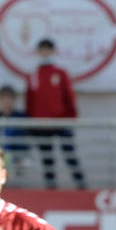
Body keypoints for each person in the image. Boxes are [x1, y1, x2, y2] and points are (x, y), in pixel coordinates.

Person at [25, 38, 85, 189]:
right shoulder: (33, 75)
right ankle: (51, 189)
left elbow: (69, 96)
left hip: (61, 122)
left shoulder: (60, 73)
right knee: (47, 159)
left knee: (69, 155)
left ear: (53, 52)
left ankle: (81, 186)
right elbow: (30, 101)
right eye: (42, 50)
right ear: (38, 52)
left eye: (48, 50)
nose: (45, 53)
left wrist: (71, 117)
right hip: (41, 125)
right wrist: (31, 123)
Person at [0, 84, 30, 174]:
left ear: (13, 100)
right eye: (3, 98)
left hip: (17, 153)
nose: (6, 102)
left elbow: (24, 138)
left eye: (8, 98)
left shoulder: (21, 116)